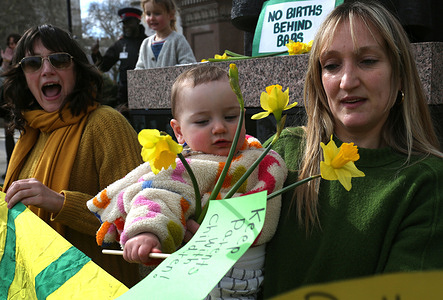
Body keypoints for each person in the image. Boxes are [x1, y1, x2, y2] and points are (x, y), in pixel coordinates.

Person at [261, 1, 443, 298]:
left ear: (399, 75)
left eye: (368, 61)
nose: (347, 81)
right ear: (319, 81)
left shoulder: (426, 183)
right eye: (332, 66)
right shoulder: (284, 150)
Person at [87, 65, 287, 299]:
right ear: (179, 131)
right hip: (202, 283)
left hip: (252, 278)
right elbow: (158, 197)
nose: (220, 127)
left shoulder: (261, 157)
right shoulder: (184, 168)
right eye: (202, 121)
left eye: (231, 117)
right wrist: (147, 233)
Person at [1, 24, 144, 288]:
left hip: (100, 289)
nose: (46, 70)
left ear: (77, 68)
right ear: (23, 76)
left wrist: (60, 203)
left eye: (59, 59)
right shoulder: (32, 131)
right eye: (33, 63)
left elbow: (139, 218)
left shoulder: (105, 124)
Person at [91, 7, 147, 111]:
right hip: (124, 99)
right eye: (124, 23)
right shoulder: (120, 44)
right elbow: (104, 66)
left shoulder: (147, 42)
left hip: (145, 94)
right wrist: (95, 53)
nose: (126, 26)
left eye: (129, 22)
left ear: (138, 22)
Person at [135, 0, 196, 69]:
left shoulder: (178, 40)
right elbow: (139, 69)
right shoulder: (145, 43)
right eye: (148, 14)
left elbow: (189, 66)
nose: (152, 18)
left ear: (171, 15)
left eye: (157, 13)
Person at [0, 33, 21, 178]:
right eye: (9, 43)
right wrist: (5, 62)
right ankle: (10, 168)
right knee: (9, 135)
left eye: (14, 43)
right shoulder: (7, 59)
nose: (11, 46)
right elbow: (2, 80)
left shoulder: (24, 57)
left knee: (27, 136)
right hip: (8, 103)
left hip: (22, 101)